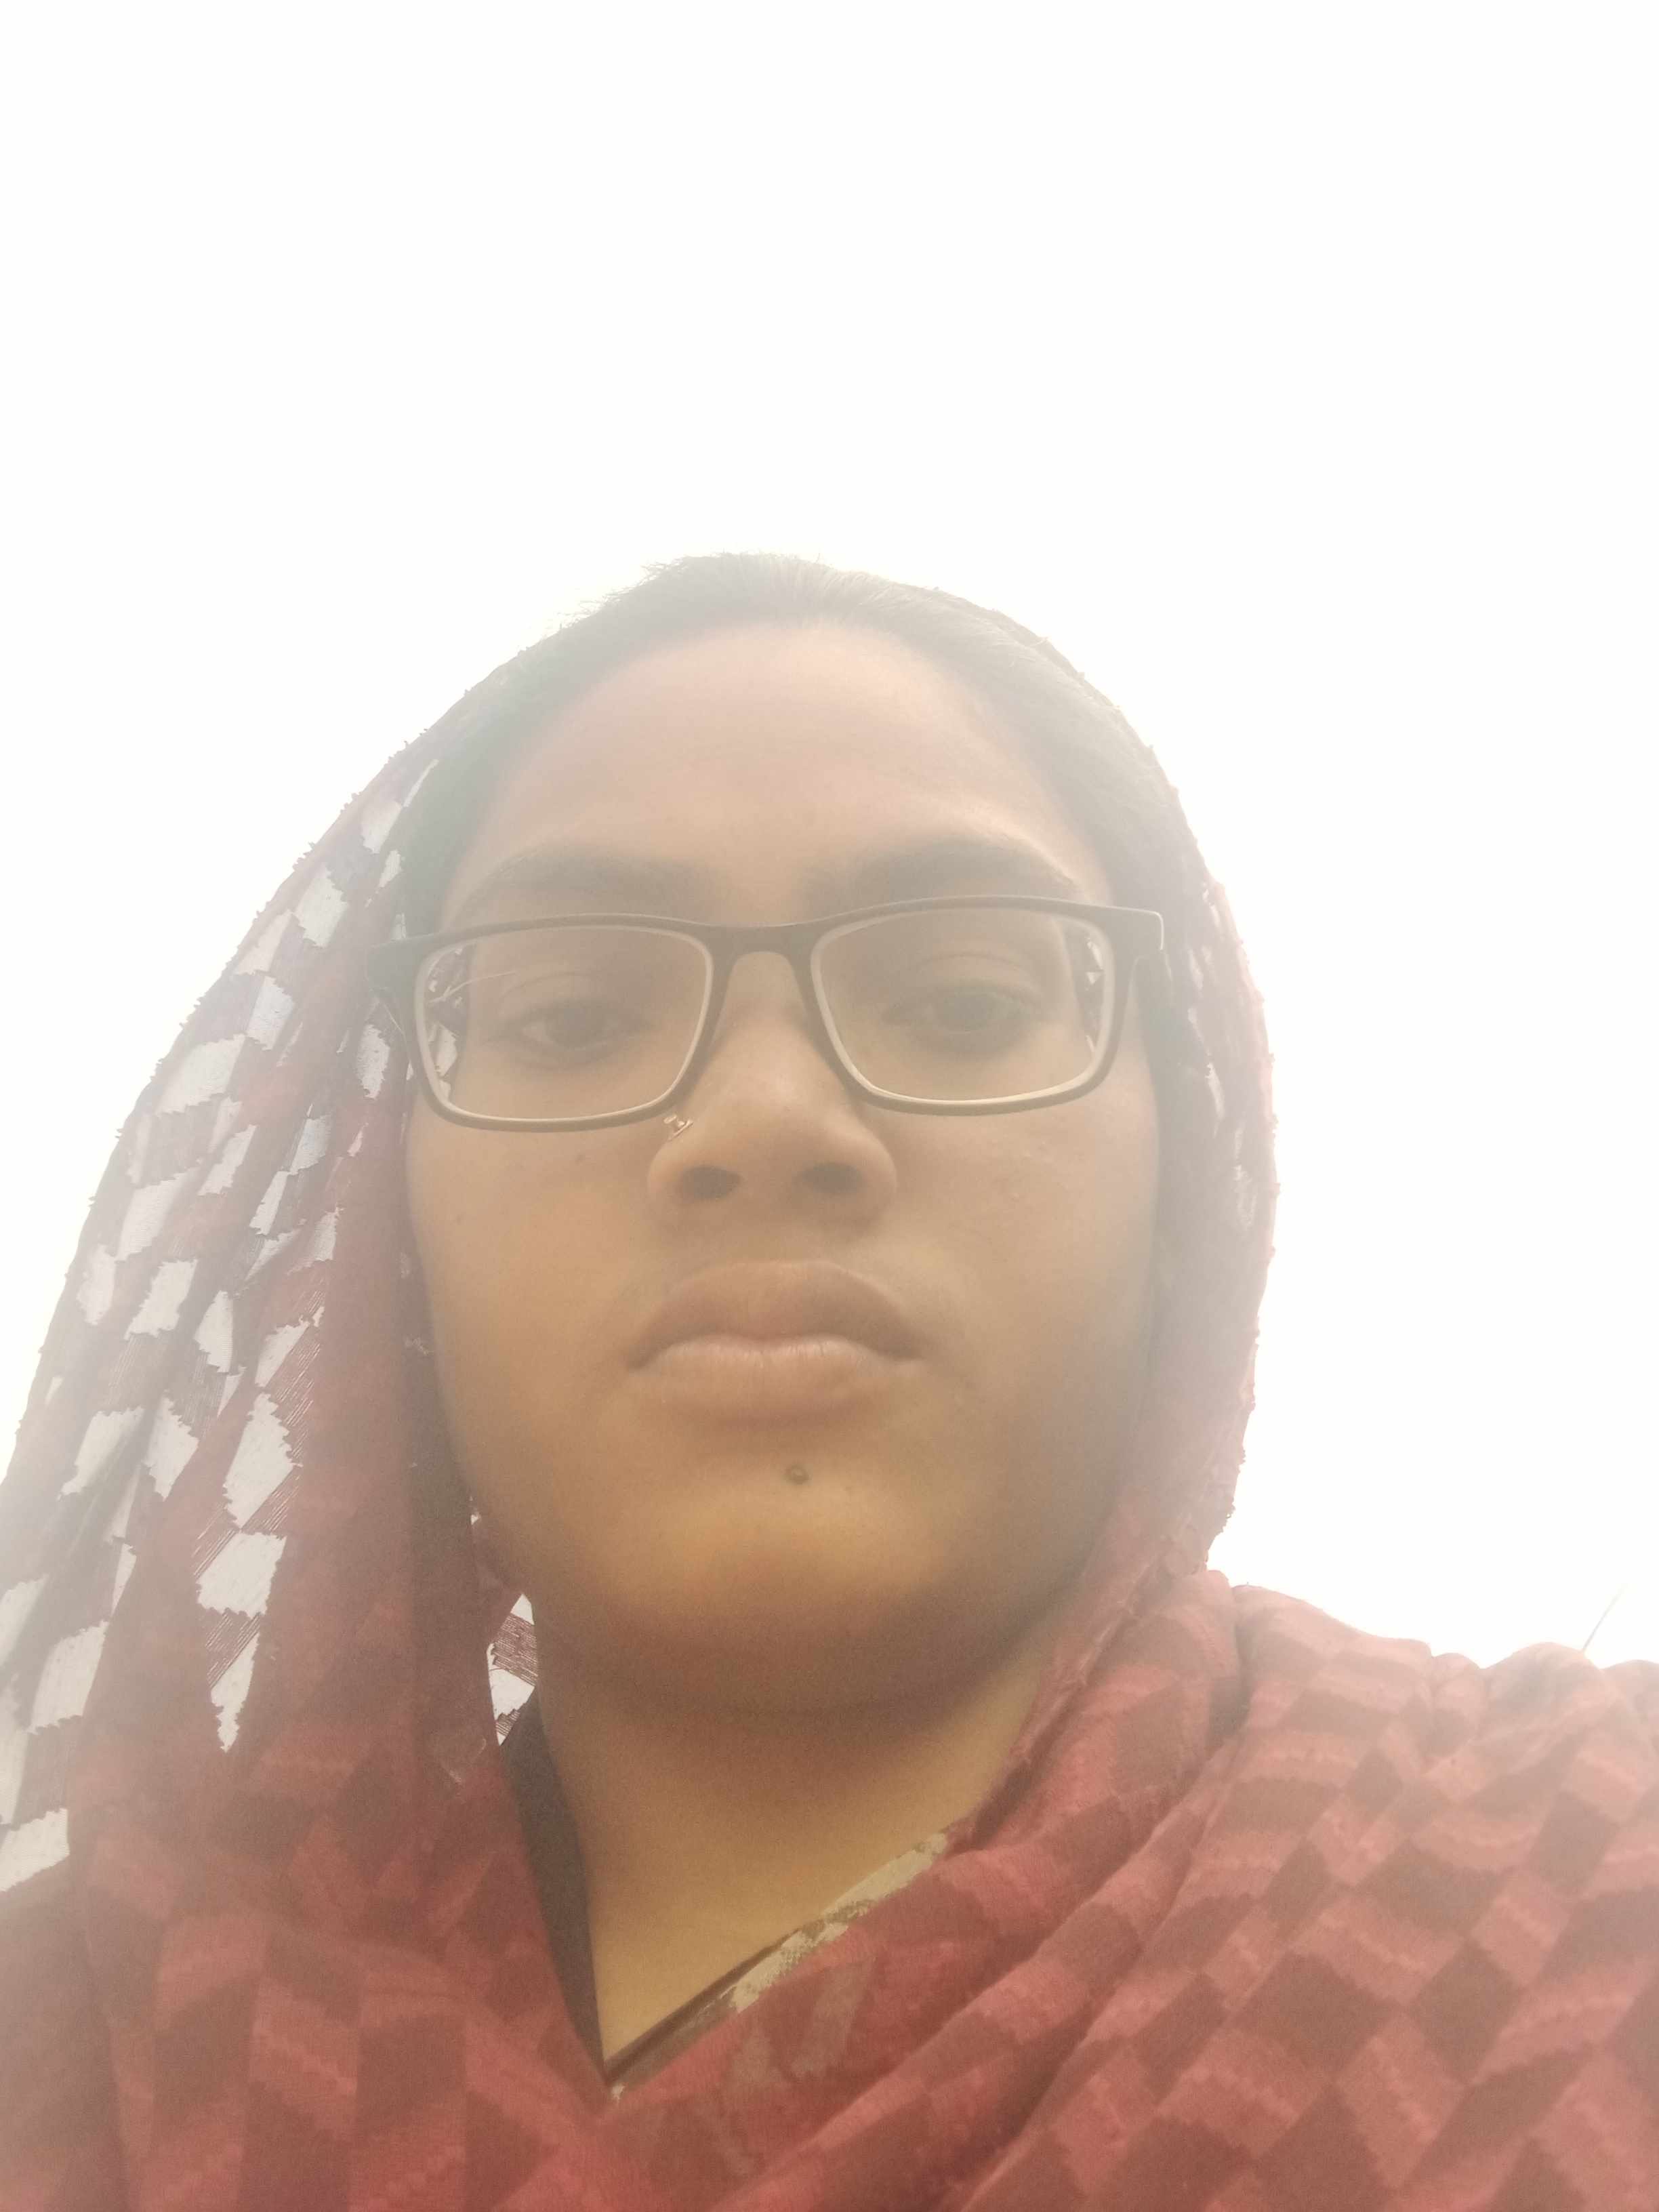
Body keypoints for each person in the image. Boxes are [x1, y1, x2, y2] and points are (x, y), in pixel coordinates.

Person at [0, 553, 1653, 2211]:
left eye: (964, 1001)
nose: (765, 1119)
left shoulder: (1589, 1881)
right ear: (395, 1233)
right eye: (570, 1019)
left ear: (1185, 1195)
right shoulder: (67, 2054)